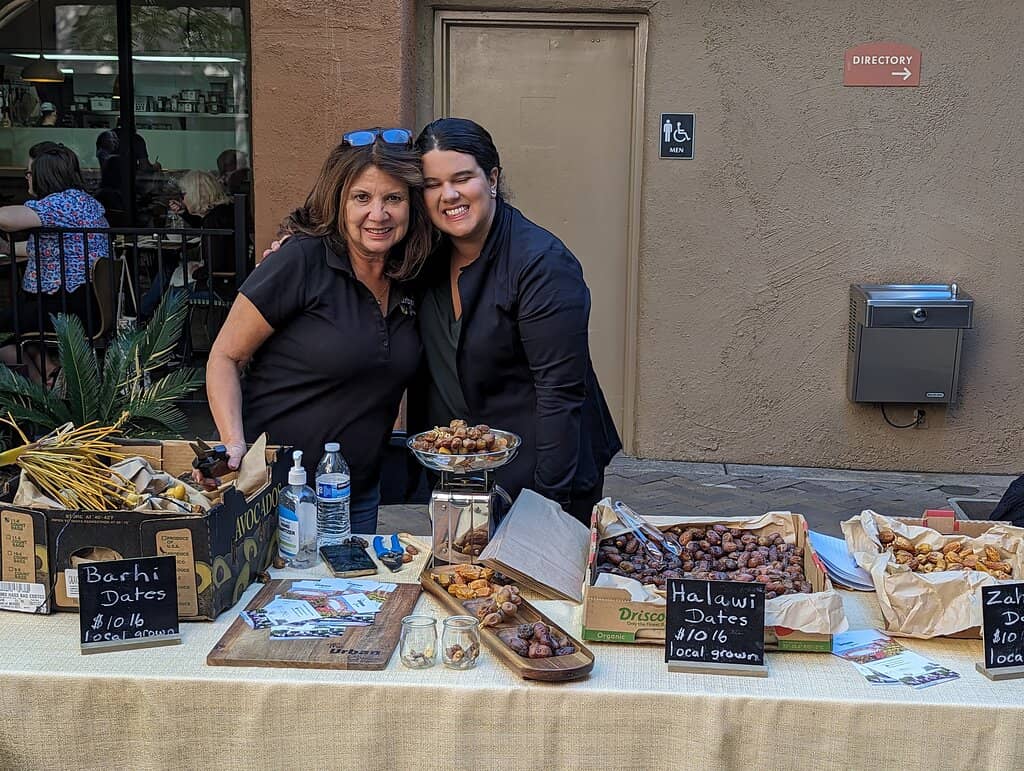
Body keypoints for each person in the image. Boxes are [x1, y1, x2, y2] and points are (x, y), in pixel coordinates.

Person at [206, 128, 433, 533]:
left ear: (412, 204)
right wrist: (233, 441)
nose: (378, 214)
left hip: (356, 494)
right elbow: (226, 356)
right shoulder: (300, 260)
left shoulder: (414, 275)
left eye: (393, 199)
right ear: (338, 200)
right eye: (361, 198)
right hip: (273, 494)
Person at [410, 118, 621, 524]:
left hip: (545, 473)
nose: (448, 195)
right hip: (464, 473)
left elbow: (560, 394)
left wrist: (546, 507)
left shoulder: (541, 264)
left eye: (462, 178)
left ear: (492, 179)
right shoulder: (425, 257)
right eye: (432, 184)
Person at [0, 143, 109, 382]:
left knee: (9, 332)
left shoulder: (61, 203)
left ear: (44, 175)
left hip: (69, 310)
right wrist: (7, 249)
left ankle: (45, 390)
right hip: (88, 304)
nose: (27, 178)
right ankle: (50, 376)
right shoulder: (82, 202)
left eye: (30, 172)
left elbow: (5, 219)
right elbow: (44, 249)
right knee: (14, 333)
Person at [141, 170, 235, 317]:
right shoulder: (222, 213)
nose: (183, 199)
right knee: (170, 271)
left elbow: (216, 263)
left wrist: (197, 272)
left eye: (183, 194)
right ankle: (145, 315)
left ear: (196, 194)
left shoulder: (214, 221)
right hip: (226, 279)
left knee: (173, 292)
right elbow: (204, 226)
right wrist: (184, 212)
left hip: (219, 286)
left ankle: (146, 318)